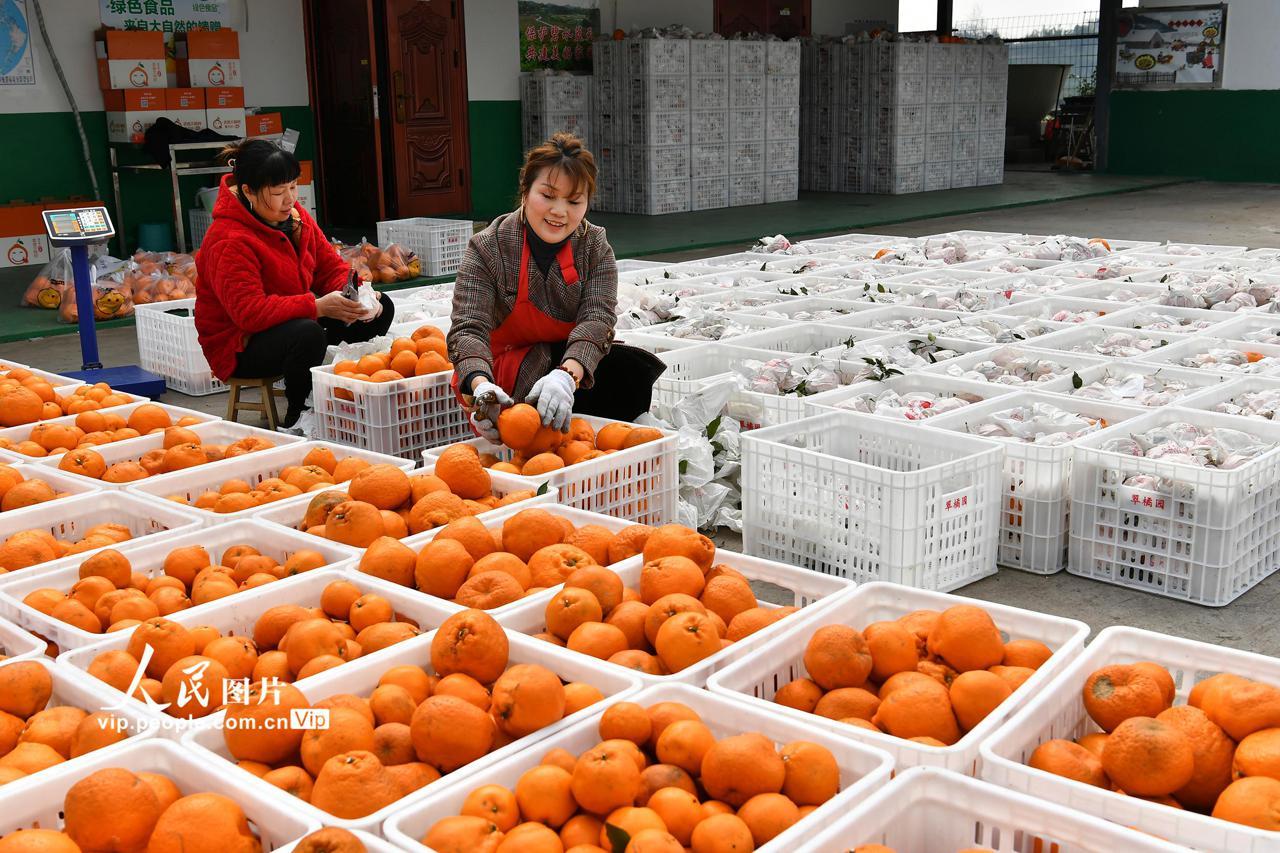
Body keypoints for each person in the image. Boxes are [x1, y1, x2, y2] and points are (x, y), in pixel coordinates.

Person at [449, 132, 662, 441]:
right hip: (502, 373)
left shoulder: (594, 247)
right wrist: (481, 386)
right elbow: (468, 328)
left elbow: (596, 320)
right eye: (547, 196)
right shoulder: (488, 248)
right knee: (536, 404)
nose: (559, 211)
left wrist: (566, 377)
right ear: (525, 191)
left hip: (564, 364)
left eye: (574, 201)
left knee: (626, 370)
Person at [195, 139, 394, 430]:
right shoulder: (228, 240)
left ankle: (335, 394)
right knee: (308, 333)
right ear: (248, 191)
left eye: (293, 187)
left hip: (288, 322)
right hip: (240, 345)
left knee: (381, 308)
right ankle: (299, 414)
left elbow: (329, 268)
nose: (290, 199)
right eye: (278, 192)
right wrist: (316, 307)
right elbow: (248, 313)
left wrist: (360, 294)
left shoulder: (295, 217)